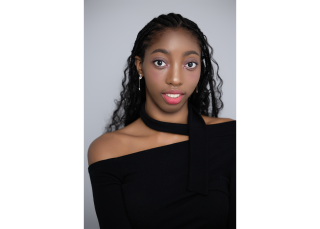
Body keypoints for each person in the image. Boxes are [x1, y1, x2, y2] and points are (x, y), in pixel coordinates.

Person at [88, 13, 237, 229]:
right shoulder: (107, 151)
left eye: (190, 64)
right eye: (160, 62)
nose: (175, 78)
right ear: (140, 66)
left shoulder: (230, 137)